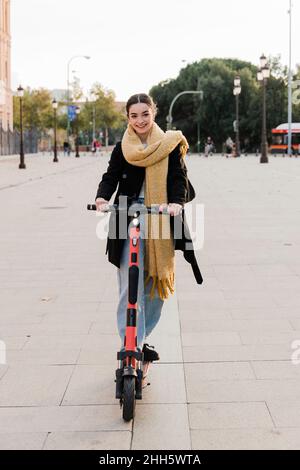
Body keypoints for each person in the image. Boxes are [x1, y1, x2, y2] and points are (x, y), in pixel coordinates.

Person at [95, 93, 203, 386]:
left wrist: (176, 202)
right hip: (124, 215)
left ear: (154, 112)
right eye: (134, 115)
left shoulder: (170, 144)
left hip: (158, 216)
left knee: (154, 288)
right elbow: (111, 175)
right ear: (128, 118)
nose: (140, 120)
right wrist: (103, 197)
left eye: (145, 114)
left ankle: (140, 342)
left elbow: (179, 178)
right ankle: (130, 347)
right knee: (127, 286)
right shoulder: (123, 147)